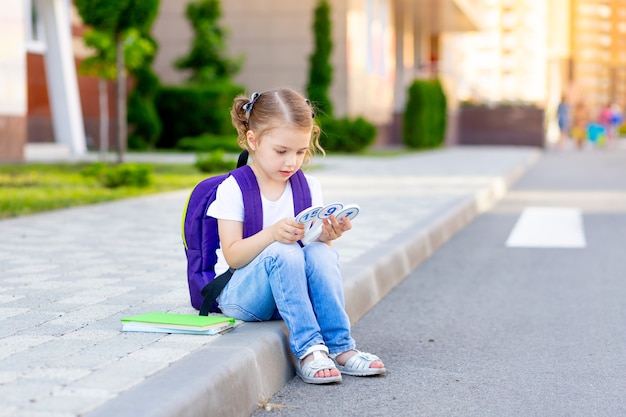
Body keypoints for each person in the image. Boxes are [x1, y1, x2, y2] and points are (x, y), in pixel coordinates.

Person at [206, 88, 386, 384]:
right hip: (243, 296)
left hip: (289, 293)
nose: (292, 162)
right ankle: (309, 350)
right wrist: (272, 234)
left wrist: (327, 235)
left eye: (300, 152)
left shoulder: (308, 186)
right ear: (253, 140)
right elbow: (233, 256)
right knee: (283, 250)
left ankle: (341, 348)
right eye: (281, 151)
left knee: (321, 252)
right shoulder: (234, 188)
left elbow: (314, 255)